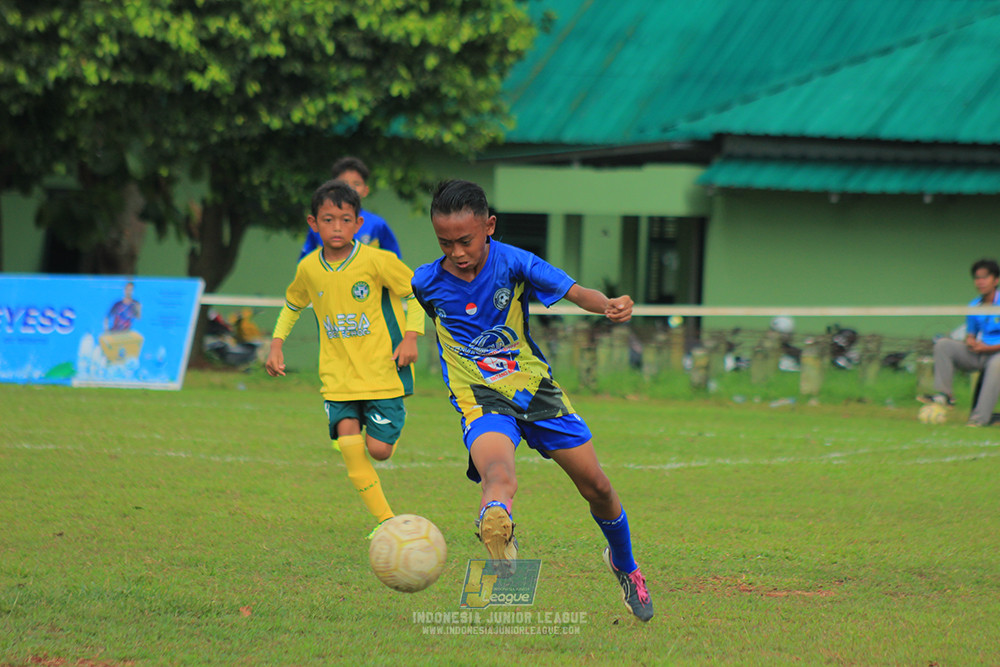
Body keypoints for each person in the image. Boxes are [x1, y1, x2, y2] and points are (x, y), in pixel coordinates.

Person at [410, 179, 654, 622]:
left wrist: (609, 305)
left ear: (490, 226)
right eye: (445, 243)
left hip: (535, 390)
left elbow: (577, 292)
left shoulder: (515, 263)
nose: (457, 252)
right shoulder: (427, 283)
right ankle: (498, 528)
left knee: (596, 486)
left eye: (465, 241)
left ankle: (625, 564)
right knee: (499, 473)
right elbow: (411, 307)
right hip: (480, 398)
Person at [267, 179, 424, 533]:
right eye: (327, 219)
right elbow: (293, 305)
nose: (336, 227)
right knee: (351, 446)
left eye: (344, 219)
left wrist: (411, 337)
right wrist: (276, 344)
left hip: (383, 372)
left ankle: (387, 437)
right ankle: (386, 521)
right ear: (313, 223)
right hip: (337, 377)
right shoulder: (308, 268)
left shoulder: (378, 261)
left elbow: (415, 295)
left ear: (358, 224)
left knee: (379, 450)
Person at [919, 258, 1000, 427]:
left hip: (997, 354)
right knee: (943, 344)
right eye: (977, 278)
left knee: (996, 364)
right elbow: (971, 333)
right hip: (980, 353)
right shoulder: (974, 305)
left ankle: (979, 420)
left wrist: (989, 347)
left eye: (985, 277)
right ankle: (945, 395)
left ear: (996, 280)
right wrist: (971, 341)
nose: (980, 282)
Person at [298, 157, 402, 260]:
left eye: (356, 184)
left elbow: (394, 260)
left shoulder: (377, 224)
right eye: (344, 183)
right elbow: (306, 262)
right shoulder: (320, 224)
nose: (350, 188)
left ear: (366, 190)